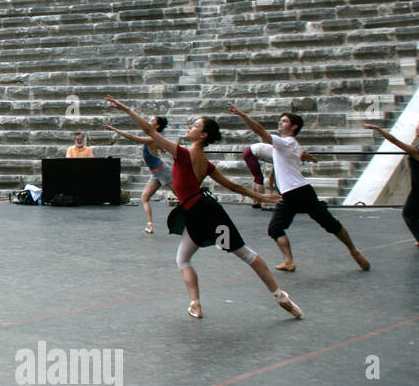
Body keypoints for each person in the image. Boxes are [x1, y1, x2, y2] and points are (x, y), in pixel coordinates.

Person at [106, 96, 302, 320]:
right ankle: (276, 295)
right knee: (240, 254)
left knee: (186, 260)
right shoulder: (204, 161)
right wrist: (260, 195)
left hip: (198, 212)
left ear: (204, 135)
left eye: (196, 125)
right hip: (204, 212)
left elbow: (151, 133)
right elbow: (233, 185)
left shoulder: (183, 154)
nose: (191, 127)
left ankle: (198, 303)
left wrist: (127, 109)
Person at [227, 104, 370, 272]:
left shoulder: (284, 142)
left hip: (296, 192)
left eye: (284, 121)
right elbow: (294, 153)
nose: (280, 123)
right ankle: (291, 260)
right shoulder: (292, 143)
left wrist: (242, 114)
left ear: (294, 127)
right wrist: (305, 155)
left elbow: (259, 129)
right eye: (280, 120)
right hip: (296, 192)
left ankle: (350, 251)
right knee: (283, 227)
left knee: (322, 223)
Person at [105, 116, 173, 234]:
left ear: (157, 126)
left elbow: (132, 137)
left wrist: (115, 130)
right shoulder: (154, 138)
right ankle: (150, 225)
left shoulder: (152, 138)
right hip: (155, 173)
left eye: (152, 121)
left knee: (183, 198)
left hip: (163, 171)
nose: (149, 122)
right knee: (144, 198)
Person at [365, 117, 419, 245]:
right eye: (417, 126)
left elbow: (395, 141)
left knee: (409, 215)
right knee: (414, 215)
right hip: (418, 188)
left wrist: (378, 129)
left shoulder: (418, 150)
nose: (417, 129)